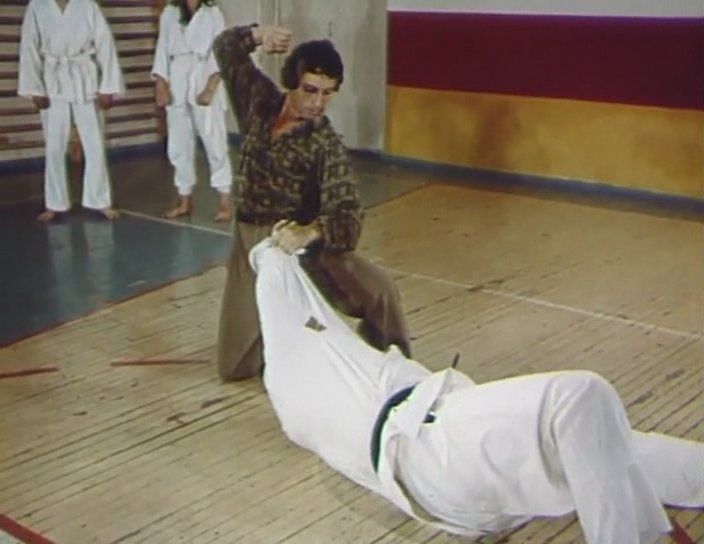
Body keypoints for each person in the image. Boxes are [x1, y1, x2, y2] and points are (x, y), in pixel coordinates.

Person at [250, 239, 704, 544]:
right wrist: (277, 245)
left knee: (606, 443)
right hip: (430, 445)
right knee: (580, 396)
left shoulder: (324, 373)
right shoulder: (291, 371)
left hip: (451, 466)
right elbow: (267, 265)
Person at [211, 24, 411, 381]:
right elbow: (226, 48)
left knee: (381, 292)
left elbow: (348, 215)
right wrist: (259, 35)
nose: (317, 102)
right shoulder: (258, 102)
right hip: (248, 239)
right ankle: (286, 342)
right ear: (292, 82)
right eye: (310, 90)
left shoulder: (324, 143)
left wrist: (308, 232)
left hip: (298, 245)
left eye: (327, 93)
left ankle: (397, 370)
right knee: (235, 367)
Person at [18, 0, 124, 222]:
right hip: (52, 81)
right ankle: (55, 203)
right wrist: (34, 88)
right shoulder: (37, 6)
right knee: (54, 146)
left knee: (94, 144)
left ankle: (100, 200)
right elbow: (29, 46)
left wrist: (108, 86)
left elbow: (105, 44)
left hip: (85, 78)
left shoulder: (87, 5)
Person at [152, 0, 233, 222]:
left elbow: (221, 51)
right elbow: (162, 48)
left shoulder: (213, 13)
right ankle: (184, 199)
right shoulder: (170, 12)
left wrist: (210, 88)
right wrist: (161, 84)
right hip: (177, 75)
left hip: (204, 72)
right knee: (178, 144)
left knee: (214, 141)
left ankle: (224, 201)